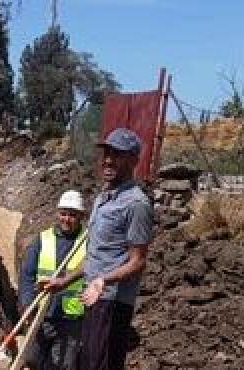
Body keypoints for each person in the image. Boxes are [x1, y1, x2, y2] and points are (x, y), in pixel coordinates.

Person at [43, 128, 154, 370]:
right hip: (93, 297)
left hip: (112, 303)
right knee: (87, 362)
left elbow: (138, 261)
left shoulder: (136, 204)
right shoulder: (103, 199)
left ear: (134, 161)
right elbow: (97, 256)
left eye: (117, 155)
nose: (108, 160)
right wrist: (65, 280)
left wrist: (103, 280)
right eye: (106, 153)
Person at [19, 190, 87, 370]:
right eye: (63, 213)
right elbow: (27, 275)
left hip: (71, 319)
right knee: (33, 360)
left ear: (81, 216)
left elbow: (96, 271)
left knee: (63, 365)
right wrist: (27, 305)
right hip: (42, 314)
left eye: (72, 215)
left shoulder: (88, 242)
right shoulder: (42, 240)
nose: (66, 219)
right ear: (58, 213)